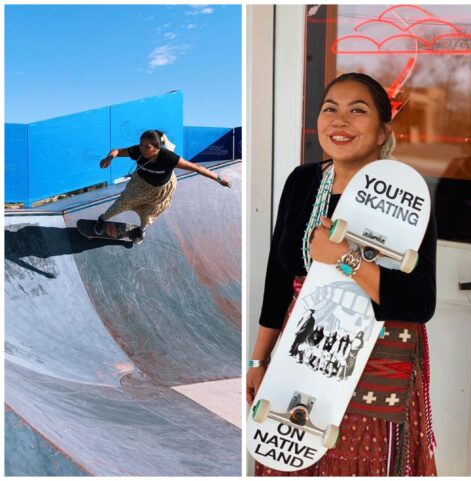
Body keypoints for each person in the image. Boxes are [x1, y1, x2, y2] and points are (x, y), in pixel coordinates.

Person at [247, 72, 438, 476]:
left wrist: (344, 259)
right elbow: (277, 279)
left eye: (357, 111)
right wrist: (258, 359)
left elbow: (419, 303)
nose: (339, 121)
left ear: (384, 128)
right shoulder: (302, 182)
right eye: (330, 109)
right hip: (303, 351)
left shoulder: (408, 198)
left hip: (376, 360)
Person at [95, 130, 231, 244]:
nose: (142, 149)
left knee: (149, 213)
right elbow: (117, 151)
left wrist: (219, 179)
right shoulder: (137, 151)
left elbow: (196, 168)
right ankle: (103, 218)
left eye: (146, 147)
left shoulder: (168, 157)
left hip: (161, 189)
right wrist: (109, 158)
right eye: (141, 145)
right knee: (122, 203)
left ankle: (140, 230)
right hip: (140, 184)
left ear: (157, 148)